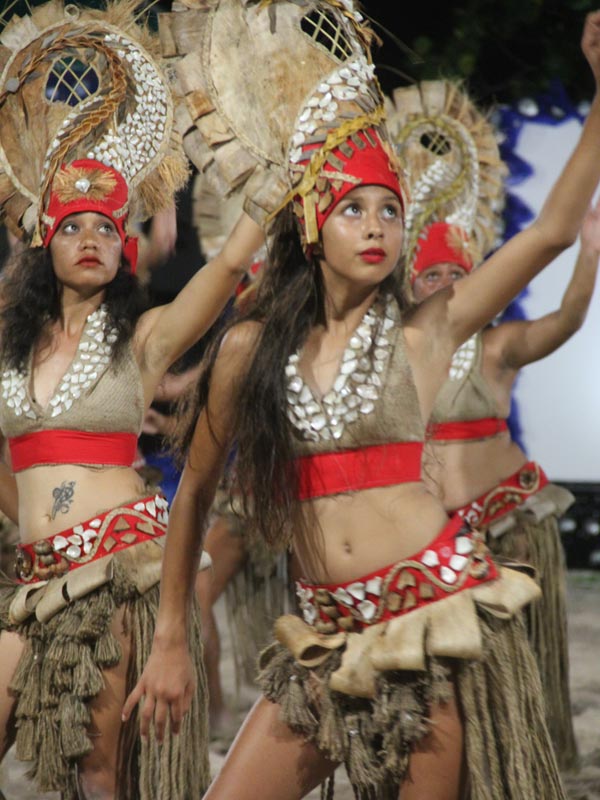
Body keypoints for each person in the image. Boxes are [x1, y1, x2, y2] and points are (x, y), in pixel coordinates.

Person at [124, 10, 600, 800]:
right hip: (320, 643)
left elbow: (550, 231)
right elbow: (196, 495)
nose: (378, 226)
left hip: (430, 625)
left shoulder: (428, 334)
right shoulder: (249, 353)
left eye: (389, 210)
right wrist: (171, 632)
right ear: (312, 224)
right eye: (355, 209)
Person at [0, 5, 263, 799]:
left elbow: (226, 270)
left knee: (100, 777)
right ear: (43, 238)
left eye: (106, 229)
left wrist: (254, 148)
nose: (89, 238)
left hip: (117, 574)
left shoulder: (145, 337)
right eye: (72, 224)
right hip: (31, 580)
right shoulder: (8, 344)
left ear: (125, 250)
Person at [413, 207, 600, 771]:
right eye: (431, 276)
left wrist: (588, 251)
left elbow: (565, 321)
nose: (446, 286)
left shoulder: (496, 348)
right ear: (410, 286)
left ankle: (530, 764)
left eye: (456, 275)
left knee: (522, 668)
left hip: (509, 525)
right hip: (438, 539)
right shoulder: (399, 354)